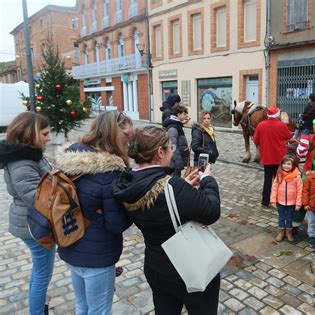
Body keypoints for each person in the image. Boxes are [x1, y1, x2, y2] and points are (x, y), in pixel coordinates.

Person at [111, 126, 221, 315]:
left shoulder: (127, 183)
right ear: (160, 152)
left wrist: (183, 186)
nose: (173, 151)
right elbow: (211, 212)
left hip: (156, 266)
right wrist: (208, 180)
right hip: (188, 269)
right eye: (170, 147)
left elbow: (157, 197)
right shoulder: (174, 187)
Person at [54, 111, 133, 315]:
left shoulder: (70, 160)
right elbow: (115, 224)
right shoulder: (110, 172)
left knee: (82, 306)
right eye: (127, 133)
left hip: (70, 243)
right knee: (99, 311)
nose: (130, 138)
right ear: (115, 134)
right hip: (98, 256)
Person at [0, 112, 53, 315]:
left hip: (31, 222)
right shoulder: (23, 160)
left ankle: (37, 306)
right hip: (34, 224)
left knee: (40, 271)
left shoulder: (28, 154)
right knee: (42, 274)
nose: (49, 137)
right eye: (45, 133)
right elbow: (34, 196)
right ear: (31, 133)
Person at [253, 106, 292, 208]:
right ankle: (279, 200)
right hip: (280, 157)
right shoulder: (281, 125)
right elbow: (288, 136)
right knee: (279, 179)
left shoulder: (261, 125)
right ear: (277, 114)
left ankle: (265, 201)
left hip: (267, 157)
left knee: (267, 180)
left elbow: (255, 140)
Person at [270, 155, 303, 242]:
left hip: (291, 202)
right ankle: (281, 232)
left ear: (293, 165)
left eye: (289, 164)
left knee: (289, 218)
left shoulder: (297, 176)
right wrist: (273, 200)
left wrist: (298, 203)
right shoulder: (279, 174)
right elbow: (274, 187)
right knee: (281, 217)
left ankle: (288, 232)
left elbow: (300, 190)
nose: (286, 166)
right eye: (284, 164)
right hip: (280, 201)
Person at [163, 104, 190, 177]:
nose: (186, 116)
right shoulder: (173, 128)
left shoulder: (177, 125)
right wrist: (179, 162)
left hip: (176, 163)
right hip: (174, 164)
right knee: (174, 181)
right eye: (184, 114)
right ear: (178, 114)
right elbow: (172, 146)